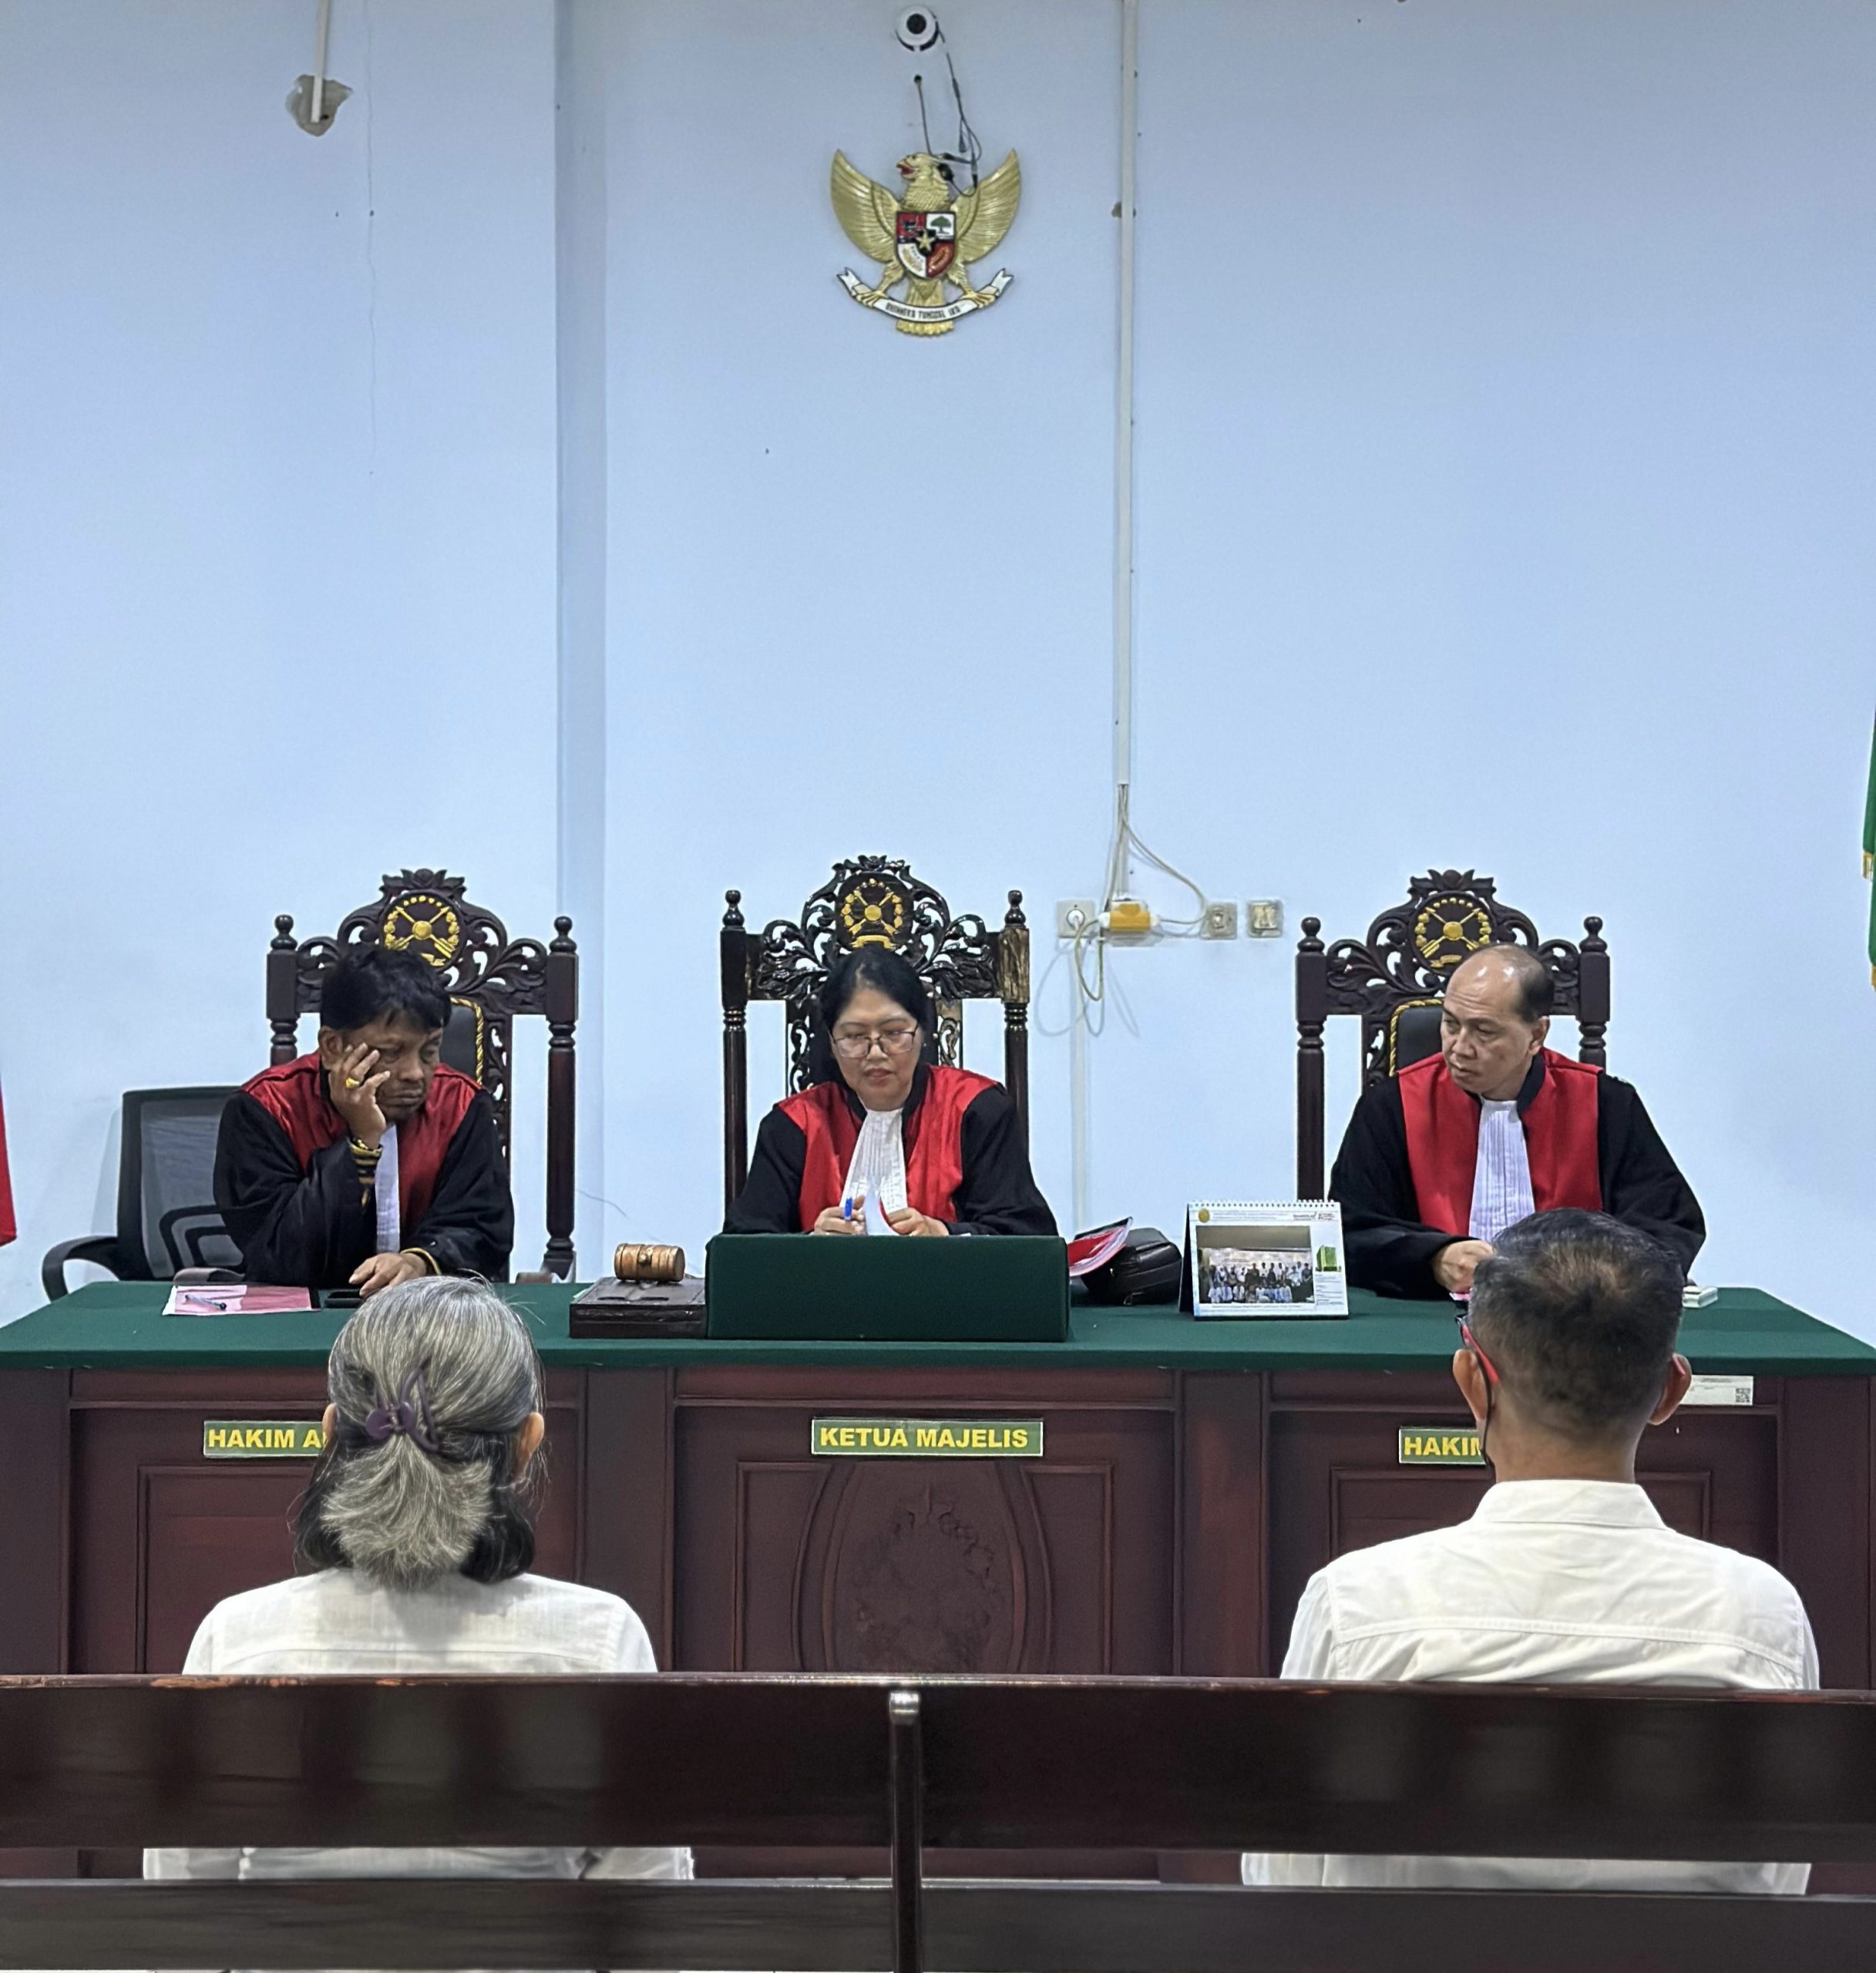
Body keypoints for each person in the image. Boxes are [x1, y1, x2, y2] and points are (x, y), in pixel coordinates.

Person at [1244, 1209, 1816, 1894]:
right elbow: (1781, 1881)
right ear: (1670, 1391)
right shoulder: (1761, 1615)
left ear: (1472, 1381)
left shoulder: (1359, 1604)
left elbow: (1284, 1879)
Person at [145, 1277, 689, 1885]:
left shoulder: (236, 1639)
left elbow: (182, 1895)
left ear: (331, 1433)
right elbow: (648, 1898)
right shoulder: (600, 1640)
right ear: (526, 1444)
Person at [1331, 944, 1703, 1298]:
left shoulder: (1605, 1105)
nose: (1459, 1048)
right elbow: (1349, 1233)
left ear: (1536, 1035)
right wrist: (1433, 1258)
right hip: (1430, 1316)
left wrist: (1583, 1271)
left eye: (1484, 1031)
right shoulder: (1392, 1106)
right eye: (1451, 1024)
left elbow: (1667, 1227)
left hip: (1574, 1324)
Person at [216, 945, 513, 1292]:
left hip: (429, 1310)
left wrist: (419, 1262)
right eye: (391, 1053)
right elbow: (281, 1257)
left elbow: (482, 1228)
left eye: (430, 1051)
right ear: (332, 1047)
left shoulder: (460, 1105)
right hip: (307, 1312)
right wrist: (361, 1142)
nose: (416, 1073)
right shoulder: (266, 1110)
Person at [724, 948, 1056, 1237]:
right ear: (832, 1044)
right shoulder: (793, 1124)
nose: (875, 1053)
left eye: (894, 1033)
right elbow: (742, 1250)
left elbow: (1027, 1239)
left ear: (923, 1032)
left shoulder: (977, 1110)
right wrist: (811, 1243)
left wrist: (944, 1234)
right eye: (855, 1036)